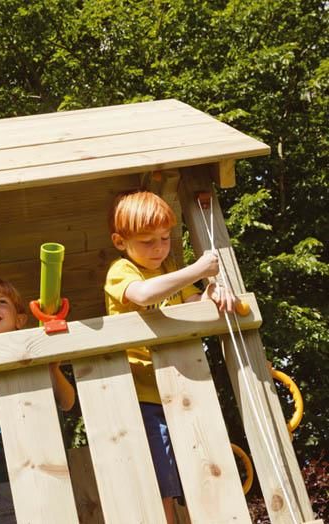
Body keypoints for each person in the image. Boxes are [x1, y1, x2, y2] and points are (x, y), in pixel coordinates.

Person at [104, 190, 235, 523]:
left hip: (182, 389)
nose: (159, 248)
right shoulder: (122, 271)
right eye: (147, 241)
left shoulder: (170, 268)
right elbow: (145, 294)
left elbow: (191, 304)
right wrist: (196, 270)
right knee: (162, 480)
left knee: (199, 469)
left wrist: (210, 292)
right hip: (143, 396)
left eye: (164, 238)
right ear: (121, 241)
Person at [0, 276, 76, 524]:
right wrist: (18, 362)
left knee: (59, 514)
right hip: (6, 468)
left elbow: (67, 402)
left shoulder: (33, 355)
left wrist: (53, 369)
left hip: (51, 458)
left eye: (1, 302)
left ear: (20, 320)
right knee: (13, 517)